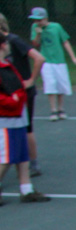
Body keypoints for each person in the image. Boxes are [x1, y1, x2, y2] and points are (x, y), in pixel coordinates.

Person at [0, 34, 49, 204]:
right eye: (6, 43)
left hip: (18, 116)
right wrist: (11, 101)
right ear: (2, 45)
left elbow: (19, 87)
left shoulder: (8, 65)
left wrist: (20, 97)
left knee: (22, 155)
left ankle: (26, 190)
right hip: (5, 119)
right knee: (6, 158)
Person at [0, 14, 44, 176]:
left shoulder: (13, 41)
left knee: (26, 128)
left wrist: (31, 79)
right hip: (7, 92)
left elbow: (39, 58)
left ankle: (33, 163)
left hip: (19, 92)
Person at [27, 7, 76, 121]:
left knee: (61, 85)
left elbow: (65, 41)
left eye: (39, 20)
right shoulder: (35, 27)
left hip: (59, 61)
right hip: (46, 61)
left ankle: (61, 109)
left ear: (45, 18)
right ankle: (53, 110)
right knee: (50, 84)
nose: (37, 22)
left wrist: (73, 57)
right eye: (35, 20)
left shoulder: (56, 26)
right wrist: (38, 34)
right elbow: (35, 43)